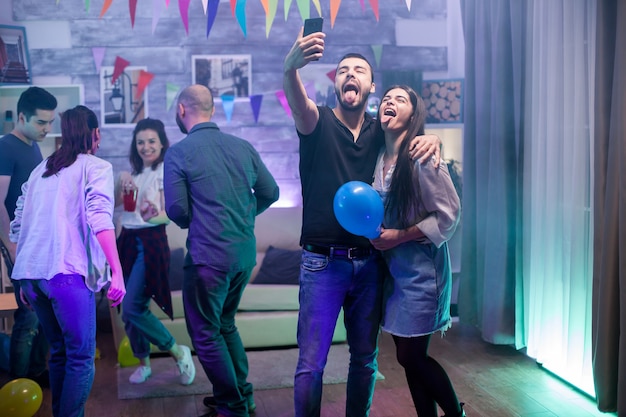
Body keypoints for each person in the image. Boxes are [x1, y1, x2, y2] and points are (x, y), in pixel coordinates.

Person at [283, 28, 442, 417]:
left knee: (365, 360)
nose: (350, 74)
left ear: (371, 86)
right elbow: (297, 101)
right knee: (310, 365)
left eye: (359, 70)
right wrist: (290, 68)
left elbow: (408, 135)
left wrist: (431, 139)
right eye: (342, 70)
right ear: (335, 82)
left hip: (370, 263)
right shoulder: (315, 122)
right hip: (321, 263)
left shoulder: (380, 133)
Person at [163, 84, 279, 417]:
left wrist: (200, 222)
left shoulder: (179, 152)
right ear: (212, 109)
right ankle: (242, 394)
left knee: (205, 332)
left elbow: (176, 210)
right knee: (224, 324)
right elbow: (271, 192)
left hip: (207, 258)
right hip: (243, 257)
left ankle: (233, 404)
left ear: (182, 110)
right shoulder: (242, 147)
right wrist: (242, 215)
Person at [8, 105, 126, 417]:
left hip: (33, 278)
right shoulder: (96, 167)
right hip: (67, 276)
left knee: (59, 352)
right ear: (95, 134)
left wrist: (23, 275)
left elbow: (18, 223)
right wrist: (117, 272)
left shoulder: (41, 170)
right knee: (80, 356)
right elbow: (100, 218)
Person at [370, 85, 463, 417]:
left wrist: (400, 236)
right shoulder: (378, 157)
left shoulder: (423, 157)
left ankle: (456, 414)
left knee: (411, 356)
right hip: (394, 275)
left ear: (414, 113)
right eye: (386, 98)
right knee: (406, 357)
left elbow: (449, 216)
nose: (389, 102)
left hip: (424, 274)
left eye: (400, 99)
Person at [115, 118, 196, 385]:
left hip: (150, 243)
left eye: (151, 141)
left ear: (162, 143)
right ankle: (144, 363)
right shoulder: (135, 173)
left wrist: (152, 215)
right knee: (127, 309)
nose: (146, 147)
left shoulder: (165, 171)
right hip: (126, 240)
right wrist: (121, 181)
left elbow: (168, 215)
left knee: (133, 307)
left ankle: (177, 350)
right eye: (140, 142)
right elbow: (119, 208)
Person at [0, 86, 57, 386]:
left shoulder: (32, 144)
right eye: (41, 122)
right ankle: (18, 380)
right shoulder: (6, 147)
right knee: (30, 313)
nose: (47, 129)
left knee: (42, 312)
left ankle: (35, 372)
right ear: (21, 116)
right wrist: (11, 246)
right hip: (19, 246)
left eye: (50, 122)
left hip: (36, 245)